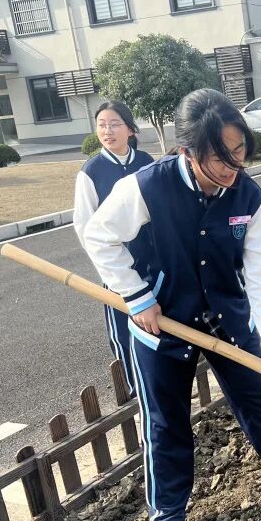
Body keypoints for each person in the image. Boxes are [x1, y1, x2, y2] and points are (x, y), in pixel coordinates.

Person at [83, 89, 261, 521]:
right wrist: (138, 296)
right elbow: (99, 237)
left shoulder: (248, 196)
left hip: (227, 318)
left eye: (238, 154)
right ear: (187, 151)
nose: (231, 169)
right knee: (166, 421)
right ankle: (167, 516)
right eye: (219, 159)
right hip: (160, 324)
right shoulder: (147, 187)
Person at [73, 100, 156, 395]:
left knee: (159, 324)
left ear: (130, 129)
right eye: (102, 125)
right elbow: (85, 226)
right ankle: (137, 389)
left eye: (114, 124)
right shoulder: (91, 172)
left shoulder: (147, 162)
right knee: (124, 330)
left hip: (153, 263)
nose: (107, 131)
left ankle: (162, 382)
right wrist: (108, 270)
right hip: (118, 270)